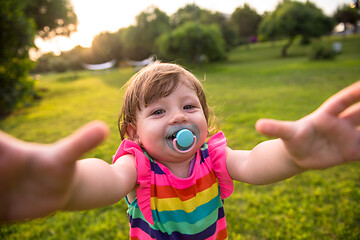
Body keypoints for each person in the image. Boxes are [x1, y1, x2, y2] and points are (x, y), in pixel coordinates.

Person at [0, 62, 359, 239]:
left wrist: (293, 156)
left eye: (189, 107)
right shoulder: (136, 165)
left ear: (205, 117)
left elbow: (253, 163)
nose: (177, 117)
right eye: (158, 111)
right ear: (133, 133)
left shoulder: (212, 155)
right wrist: (68, 186)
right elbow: (108, 180)